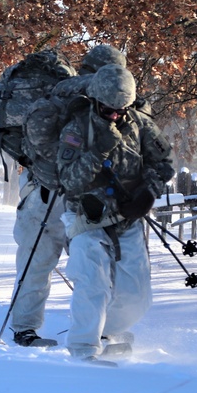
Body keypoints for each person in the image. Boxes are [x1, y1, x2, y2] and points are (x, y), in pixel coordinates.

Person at [8, 44, 127, 347]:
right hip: (69, 194)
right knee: (94, 266)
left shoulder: (65, 92)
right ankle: (98, 331)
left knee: (36, 264)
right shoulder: (86, 94)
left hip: (44, 190)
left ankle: (25, 330)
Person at [56, 64, 174, 364]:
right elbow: (69, 179)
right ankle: (83, 350)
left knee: (136, 297)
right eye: (109, 110)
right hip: (87, 219)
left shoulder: (140, 125)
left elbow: (163, 163)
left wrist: (148, 192)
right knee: (91, 283)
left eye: (121, 110)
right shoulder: (76, 129)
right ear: (95, 100)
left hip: (127, 220)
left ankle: (108, 333)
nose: (115, 116)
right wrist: (99, 152)